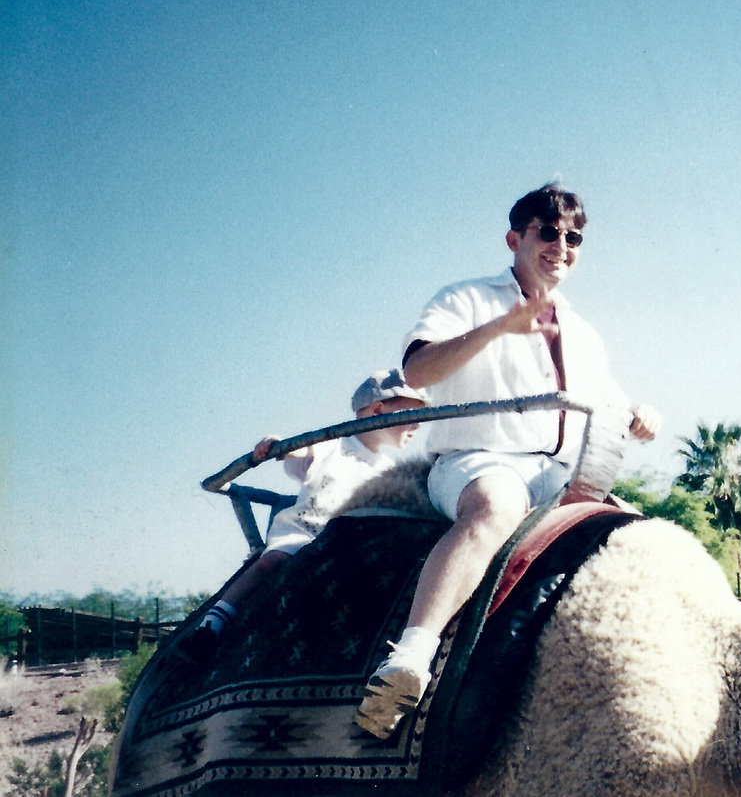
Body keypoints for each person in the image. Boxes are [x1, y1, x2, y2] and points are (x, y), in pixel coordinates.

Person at [355, 183, 659, 738]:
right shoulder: (465, 298)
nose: (561, 245)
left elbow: (606, 403)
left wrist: (637, 413)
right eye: (548, 232)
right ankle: (410, 659)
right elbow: (418, 373)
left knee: (640, 536)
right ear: (514, 238)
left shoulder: (585, 333)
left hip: (564, 480)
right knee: (496, 506)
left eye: (573, 237)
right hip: (478, 461)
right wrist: (501, 326)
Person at [183, 370, 428, 661]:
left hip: (348, 540)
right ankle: (214, 622)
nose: (416, 426)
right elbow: (303, 450)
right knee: (274, 560)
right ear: (377, 410)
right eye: (411, 417)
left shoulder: (389, 468)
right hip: (307, 530)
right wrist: (280, 446)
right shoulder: (334, 443)